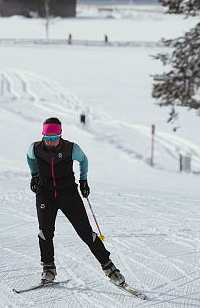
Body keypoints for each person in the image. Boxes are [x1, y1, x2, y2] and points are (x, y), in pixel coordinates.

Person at [26, 117, 126, 285]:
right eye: (47, 137)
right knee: (45, 232)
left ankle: (109, 267)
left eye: (54, 137)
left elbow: (83, 160)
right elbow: (30, 159)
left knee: (86, 232)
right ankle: (48, 269)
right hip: (45, 194)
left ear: (60, 134)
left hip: (68, 194)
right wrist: (34, 175)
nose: (51, 141)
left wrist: (83, 180)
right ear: (43, 135)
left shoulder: (71, 148)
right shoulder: (35, 148)